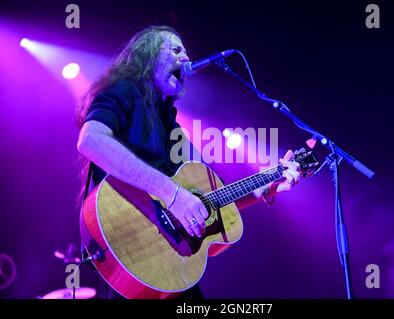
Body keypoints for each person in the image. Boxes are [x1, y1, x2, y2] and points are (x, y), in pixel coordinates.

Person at [76, 25, 301, 299]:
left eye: (185, 50)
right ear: (146, 56)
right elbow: (91, 141)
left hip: (171, 263)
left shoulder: (170, 122)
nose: (185, 57)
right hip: (135, 246)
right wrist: (172, 195)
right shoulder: (125, 90)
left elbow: (206, 199)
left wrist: (264, 186)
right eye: (175, 49)